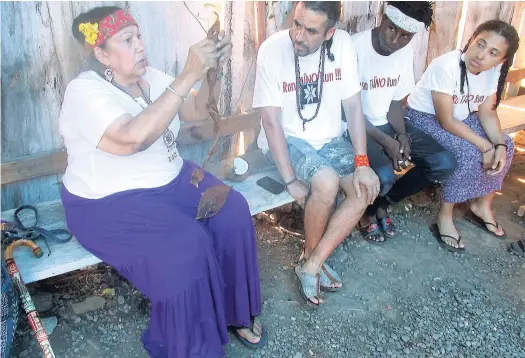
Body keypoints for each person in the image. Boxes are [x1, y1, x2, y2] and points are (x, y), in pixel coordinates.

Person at [59, 7, 266, 357]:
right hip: (108, 203)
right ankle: (193, 347)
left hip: (172, 178)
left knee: (232, 210)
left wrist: (209, 75)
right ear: (101, 53)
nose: (141, 45)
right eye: (127, 40)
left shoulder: (151, 77)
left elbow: (197, 112)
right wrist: (187, 75)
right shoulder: (84, 92)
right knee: (186, 246)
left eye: (138, 36)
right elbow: (131, 138)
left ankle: (233, 311)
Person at [253, 1, 380, 307]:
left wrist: (362, 163)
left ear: (329, 33)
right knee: (325, 181)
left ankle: (311, 263)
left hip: (329, 138)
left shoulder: (344, 45)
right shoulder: (272, 50)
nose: (298, 35)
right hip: (287, 138)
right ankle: (312, 260)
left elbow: (352, 105)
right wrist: (289, 180)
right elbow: (270, 122)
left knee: (363, 189)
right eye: (297, 24)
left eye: (310, 31)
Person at [344, 1, 456, 244]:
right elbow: (346, 112)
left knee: (443, 163)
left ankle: (382, 202)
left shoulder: (404, 53)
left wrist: (402, 135)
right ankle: (367, 212)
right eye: (391, 29)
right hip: (353, 128)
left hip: (385, 124)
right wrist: (385, 140)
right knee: (385, 175)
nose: (395, 40)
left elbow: (395, 102)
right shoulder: (353, 48)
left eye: (405, 36)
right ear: (382, 20)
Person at [406, 20, 520, 252]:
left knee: (507, 146)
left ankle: (482, 205)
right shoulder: (446, 66)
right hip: (424, 119)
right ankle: (445, 215)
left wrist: (497, 144)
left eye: (492, 53)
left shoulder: (492, 73)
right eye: (480, 44)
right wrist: (484, 146)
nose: (481, 55)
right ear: (472, 39)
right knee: (466, 153)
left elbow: (487, 111)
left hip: (463, 118)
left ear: (501, 61)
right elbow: (446, 120)